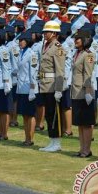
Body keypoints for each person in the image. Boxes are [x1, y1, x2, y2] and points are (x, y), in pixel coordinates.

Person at [38, 21, 66, 152]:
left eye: (47, 32)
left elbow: (60, 70)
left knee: (54, 114)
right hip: (44, 85)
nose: (44, 34)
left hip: (53, 86)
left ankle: (57, 142)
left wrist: (58, 89)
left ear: (54, 33)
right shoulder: (46, 46)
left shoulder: (57, 47)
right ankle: (52, 140)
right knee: (48, 115)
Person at [71, 29, 95, 158]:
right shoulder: (77, 53)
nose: (76, 41)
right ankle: (81, 148)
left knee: (86, 123)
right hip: (76, 91)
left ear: (85, 40)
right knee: (80, 123)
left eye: (78, 39)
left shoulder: (88, 55)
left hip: (85, 91)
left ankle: (87, 150)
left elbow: (88, 74)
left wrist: (88, 92)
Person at [16, 30, 39, 146]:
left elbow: (33, 73)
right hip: (21, 87)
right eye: (19, 40)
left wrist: (32, 89)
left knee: (30, 114)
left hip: (29, 88)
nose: (20, 42)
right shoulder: (21, 53)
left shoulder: (32, 54)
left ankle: (30, 138)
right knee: (24, 114)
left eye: (22, 40)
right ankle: (26, 137)